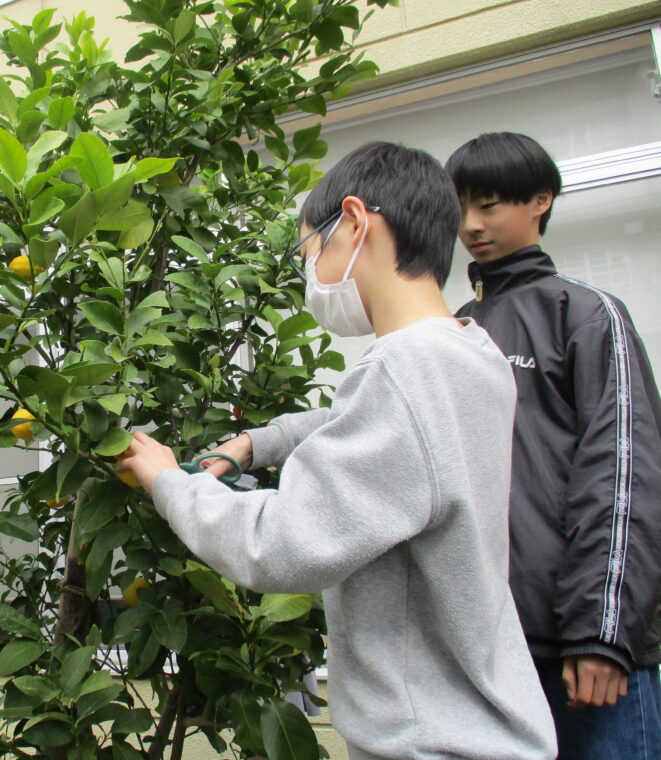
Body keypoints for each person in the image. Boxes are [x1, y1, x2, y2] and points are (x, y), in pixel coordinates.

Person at [117, 142, 557, 760]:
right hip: (478, 723)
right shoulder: (470, 354)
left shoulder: (404, 371)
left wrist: (170, 482)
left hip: (430, 740)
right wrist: (257, 444)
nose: (311, 273)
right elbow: (382, 430)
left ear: (353, 222)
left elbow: (280, 544)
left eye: (309, 251)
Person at [445, 131, 661, 760]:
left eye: (489, 204)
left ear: (540, 200)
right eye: (461, 208)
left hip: (583, 655)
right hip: (489, 650)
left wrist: (602, 634)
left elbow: (623, 473)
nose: (471, 225)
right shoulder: (453, 329)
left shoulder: (586, 314)